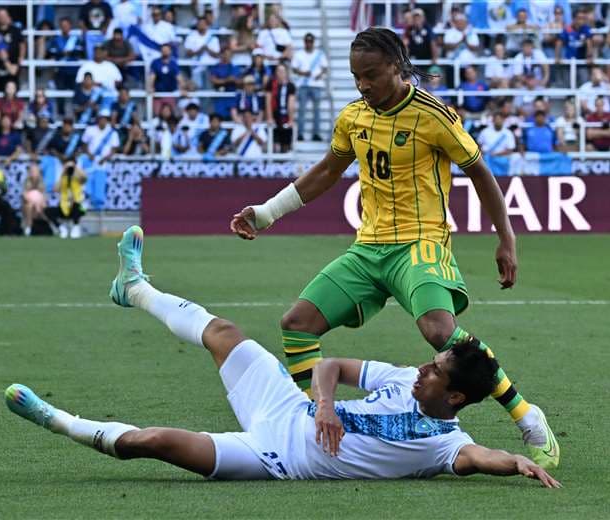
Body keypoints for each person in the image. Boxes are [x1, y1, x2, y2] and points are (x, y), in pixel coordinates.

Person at [229, 27, 559, 470]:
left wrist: (506, 238)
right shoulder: (353, 117)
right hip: (368, 248)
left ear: (397, 68)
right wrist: (266, 212)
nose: (363, 86)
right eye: (355, 77)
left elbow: (479, 172)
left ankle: (526, 416)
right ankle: (307, 419)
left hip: (421, 244)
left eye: (371, 75)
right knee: (296, 324)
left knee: (439, 332)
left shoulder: (434, 115)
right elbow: (328, 170)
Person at [5, 226, 561, 488]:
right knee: (223, 332)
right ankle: (136, 288)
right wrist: (322, 404)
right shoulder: (399, 378)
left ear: (457, 397)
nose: (422, 367)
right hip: (291, 406)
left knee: (152, 443)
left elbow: (485, 457)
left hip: (274, 455)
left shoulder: (448, 447)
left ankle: (58, 421)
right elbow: (332, 367)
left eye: (435, 371)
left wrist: (518, 462)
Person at [291, 33, 328, 142]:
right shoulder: (299, 54)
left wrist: (319, 75)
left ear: (313, 42)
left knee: (316, 111)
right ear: (304, 42)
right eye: (307, 41)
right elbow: (294, 69)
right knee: (302, 110)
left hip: (316, 85)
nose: (309, 43)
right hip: (303, 85)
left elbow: (325, 68)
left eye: (311, 41)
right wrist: (302, 73)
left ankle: (316, 133)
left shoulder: (320, 54)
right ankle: (300, 134)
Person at [45, 158, 87, 239]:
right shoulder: (63, 177)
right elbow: (55, 189)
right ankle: (61, 228)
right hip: (64, 205)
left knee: (78, 206)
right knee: (47, 211)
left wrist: (75, 168)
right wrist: (63, 172)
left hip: (79, 207)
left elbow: (84, 178)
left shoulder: (78, 177)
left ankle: (76, 227)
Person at [45, 17, 85, 93]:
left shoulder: (76, 39)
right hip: (61, 71)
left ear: (70, 26)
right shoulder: (56, 39)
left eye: (66, 25)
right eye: (62, 25)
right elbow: (51, 52)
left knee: (75, 94)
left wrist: (65, 52)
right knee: (60, 94)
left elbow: (80, 52)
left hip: (73, 70)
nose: (64, 27)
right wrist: (64, 53)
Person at [265, 64, 296, 153]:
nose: (281, 73)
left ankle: (284, 163)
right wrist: (269, 117)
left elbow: (291, 104)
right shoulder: (271, 83)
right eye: (279, 71)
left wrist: (291, 119)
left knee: (286, 143)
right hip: (275, 115)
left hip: (285, 115)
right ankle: (275, 162)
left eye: (283, 71)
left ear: (286, 73)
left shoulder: (290, 86)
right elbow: (268, 101)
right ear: (276, 73)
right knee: (275, 144)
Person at [184, 15, 220, 89]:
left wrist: (207, 49)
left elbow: (217, 55)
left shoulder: (213, 38)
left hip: (210, 67)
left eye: (203, 24)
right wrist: (200, 50)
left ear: (207, 25)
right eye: (199, 24)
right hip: (196, 67)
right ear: (197, 25)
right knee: (197, 88)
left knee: (209, 89)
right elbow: (188, 53)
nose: (201, 25)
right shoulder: (191, 36)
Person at [148, 44, 182, 114]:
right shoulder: (155, 62)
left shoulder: (173, 63)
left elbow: (179, 77)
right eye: (163, 50)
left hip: (170, 93)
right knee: (157, 114)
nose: (165, 51)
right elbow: (152, 77)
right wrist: (150, 87)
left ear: (170, 51)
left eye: (166, 50)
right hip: (158, 94)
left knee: (171, 114)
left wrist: (182, 88)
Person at [208, 47, 240, 120]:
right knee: (220, 118)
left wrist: (234, 80)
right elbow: (213, 80)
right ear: (222, 55)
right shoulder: (216, 67)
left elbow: (239, 81)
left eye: (229, 54)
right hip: (220, 97)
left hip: (232, 97)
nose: (227, 56)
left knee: (233, 119)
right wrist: (226, 80)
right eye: (225, 54)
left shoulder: (234, 67)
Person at [21, 162, 48, 236]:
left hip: (39, 205)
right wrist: (34, 203)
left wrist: (39, 203)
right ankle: (28, 227)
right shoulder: (25, 182)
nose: (34, 173)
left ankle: (46, 228)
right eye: (32, 171)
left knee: (44, 208)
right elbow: (24, 196)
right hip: (28, 205)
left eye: (36, 171)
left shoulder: (42, 183)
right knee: (29, 206)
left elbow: (44, 197)